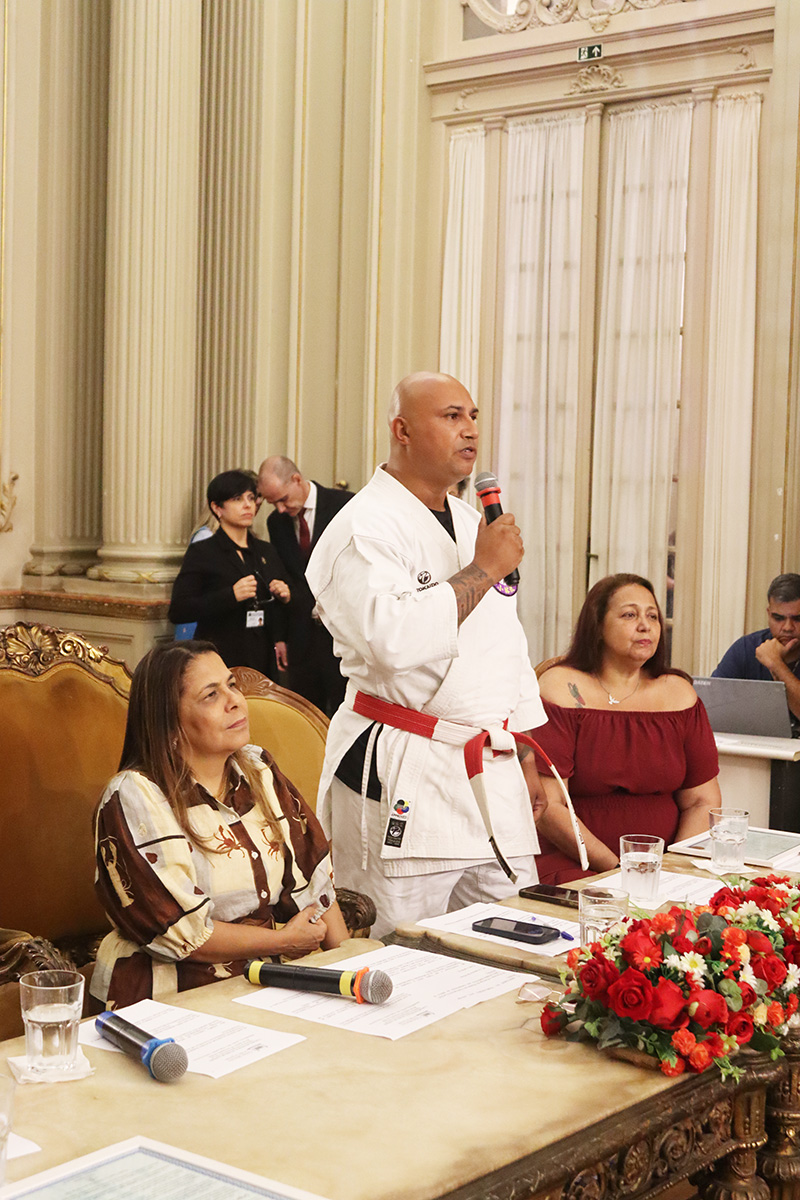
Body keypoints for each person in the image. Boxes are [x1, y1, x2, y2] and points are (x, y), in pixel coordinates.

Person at [305, 371, 548, 939]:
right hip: (405, 761)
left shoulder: (473, 522)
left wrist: (527, 756)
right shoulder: (361, 528)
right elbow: (392, 644)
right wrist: (484, 569)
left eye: (473, 415)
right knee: (395, 949)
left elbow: (506, 644)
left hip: (492, 765)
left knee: (512, 941)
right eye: (451, 416)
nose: (470, 430)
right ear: (402, 430)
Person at [91, 641, 346, 1008]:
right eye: (211, 695)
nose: (235, 701)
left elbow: (315, 880)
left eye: (232, 685)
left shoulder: (257, 770)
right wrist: (281, 942)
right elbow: (180, 933)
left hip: (270, 980)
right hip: (172, 994)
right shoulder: (135, 797)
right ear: (169, 721)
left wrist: (350, 970)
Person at [533, 573, 721, 884]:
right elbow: (549, 806)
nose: (645, 625)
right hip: (575, 861)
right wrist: (618, 870)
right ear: (597, 625)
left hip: (664, 869)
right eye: (629, 614)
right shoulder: (561, 687)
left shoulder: (679, 693)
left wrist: (671, 869)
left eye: (652, 616)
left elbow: (703, 800)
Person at [168, 470, 291, 679]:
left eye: (251, 498)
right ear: (217, 508)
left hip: (262, 661)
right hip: (220, 658)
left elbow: (278, 604)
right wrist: (230, 595)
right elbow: (179, 610)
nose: (247, 505)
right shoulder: (204, 551)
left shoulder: (265, 550)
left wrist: (285, 595)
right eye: (237, 499)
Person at [257, 456, 353, 715]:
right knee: (306, 715)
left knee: (344, 713)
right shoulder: (276, 523)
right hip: (301, 636)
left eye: (283, 499)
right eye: (272, 502)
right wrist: (280, 637)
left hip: (342, 635)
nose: (279, 509)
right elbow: (281, 578)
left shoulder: (345, 505)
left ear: (297, 480)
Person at [712, 573, 800, 720]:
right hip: (751, 741)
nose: (787, 627)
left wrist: (776, 664)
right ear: (768, 614)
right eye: (778, 618)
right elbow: (711, 704)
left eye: (797, 619)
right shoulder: (746, 648)